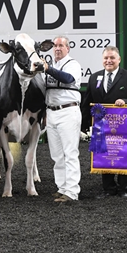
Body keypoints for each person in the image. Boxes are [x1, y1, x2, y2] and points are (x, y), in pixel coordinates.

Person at [81, 46, 127, 199]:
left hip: (122, 126)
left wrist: (126, 101)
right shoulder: (94, 77)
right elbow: (87, 101)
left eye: (112, 58)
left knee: (122, 152)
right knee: (104, 154)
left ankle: (123, 189)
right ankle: (108, 188)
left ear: (119, 60)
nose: (109, 61)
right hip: (101, 127)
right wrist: (84, 123)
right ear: (102, 60)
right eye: (106, 58)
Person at [42, 36, 82, 202]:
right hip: (51, 111)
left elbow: (67, 79)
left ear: (68, 48)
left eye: (60, 46)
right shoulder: (54, 65)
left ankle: (72, 191)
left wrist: (47, 68)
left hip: (68, 110)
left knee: (70, 153)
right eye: (55, 46)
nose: (57, 49)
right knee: (57, 155)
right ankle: (62, 187)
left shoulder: (73, 64)